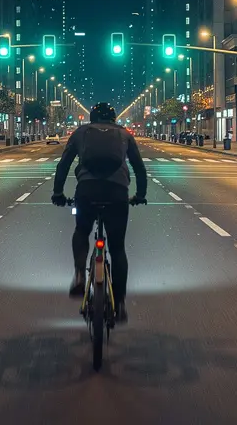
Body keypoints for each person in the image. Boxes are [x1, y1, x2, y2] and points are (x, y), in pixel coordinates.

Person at [51, 102, 147, 323]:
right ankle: (120, 303)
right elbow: (139, 168)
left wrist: (58, 193)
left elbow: (64, 165)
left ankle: (78, 274)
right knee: (117, 247)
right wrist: (140, 195)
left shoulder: (81, 133)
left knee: (82, 230)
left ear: (91, 117)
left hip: (87, 191)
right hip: (117, 193)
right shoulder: (125, 135)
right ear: (114, 118)